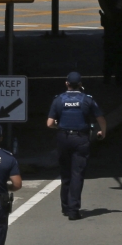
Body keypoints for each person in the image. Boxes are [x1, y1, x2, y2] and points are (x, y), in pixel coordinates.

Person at [47, 72, 106, 219]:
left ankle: (65, 207)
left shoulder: (58, 100)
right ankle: (73, 211)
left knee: (65, 173)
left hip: (63, 138)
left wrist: (59, 127)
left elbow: (49, 123)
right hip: (81, 139)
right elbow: (101, 119)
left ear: (66, 83)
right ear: (80, 84)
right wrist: (102, 132)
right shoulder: (87, 100)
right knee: (77, 174)